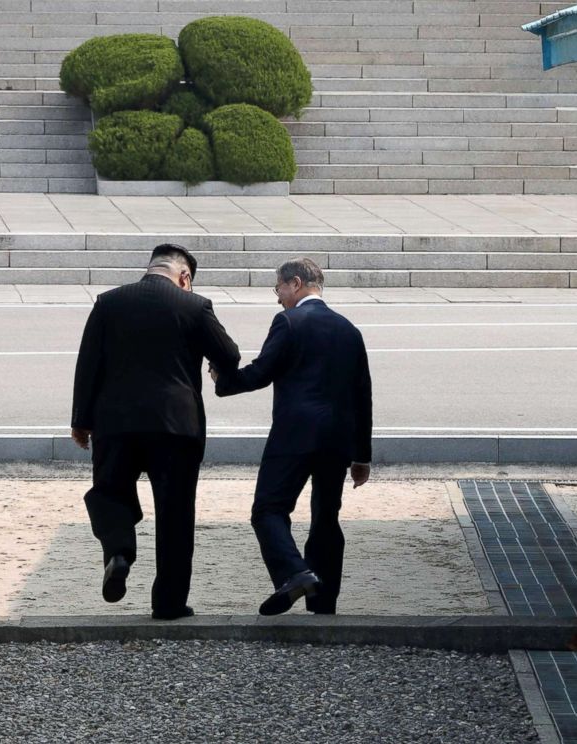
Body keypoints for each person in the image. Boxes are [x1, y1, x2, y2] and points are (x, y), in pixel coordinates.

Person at [71, 244, 240, 620]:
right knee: (176, 514)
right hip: (176, 426)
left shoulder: (109, 302)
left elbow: (88, 364)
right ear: (185, 277)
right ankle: (169, 603)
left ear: (150, 268)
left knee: (108, 492)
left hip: (115, 424)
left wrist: (80, 421)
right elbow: (229, 355)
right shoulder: (194, 307)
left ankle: (118, 550)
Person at [211, 257, 372, 616]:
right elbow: (363, 394)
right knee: (326, 517)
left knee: (269, 508)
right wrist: (361, 455)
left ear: (295, 284)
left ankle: (294, 572)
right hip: (338, 439)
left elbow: (263, 371)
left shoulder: (288, 320)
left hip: (294, 433)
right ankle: (323, 601)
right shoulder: (349, 329)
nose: (278, 297)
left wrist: (223, 380)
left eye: (279, 289)